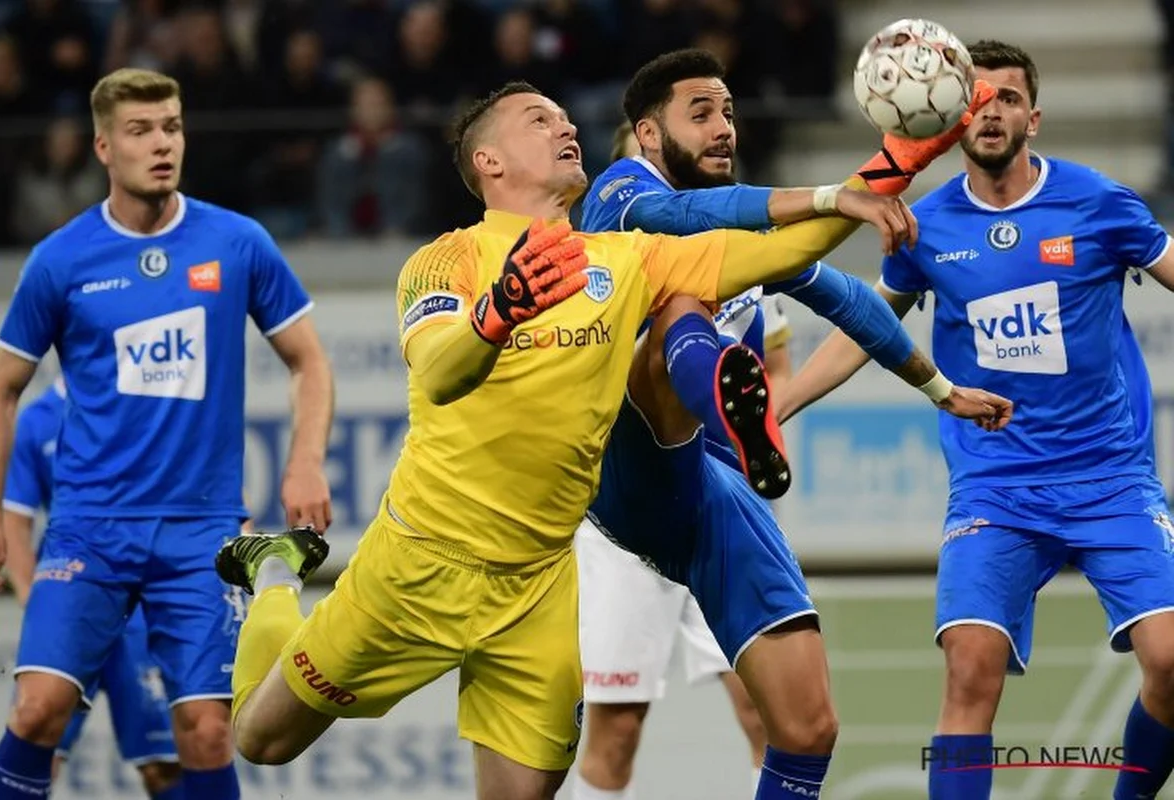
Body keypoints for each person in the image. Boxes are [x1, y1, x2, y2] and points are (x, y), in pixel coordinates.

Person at [211, 78, 990, 800]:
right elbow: (442, 370)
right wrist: (498, 313)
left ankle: (711, 407)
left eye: (564, 116)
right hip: (422, 564)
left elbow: (775, 247)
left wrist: (891, 167)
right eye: (538, 119)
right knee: (260, 737)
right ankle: (276, 571)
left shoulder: (623, 259)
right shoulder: (445, 259)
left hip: (539, 584)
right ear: (489, 162)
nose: (565, 126)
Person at [573, 49, 1013, 800]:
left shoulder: (743, 240)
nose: (724, 129)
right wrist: (835, 196)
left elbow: (845, 296)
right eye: (701, 113)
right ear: (648, 134)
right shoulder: (621, 194)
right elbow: (694, 215)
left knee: (804, 728)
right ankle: (730, 406)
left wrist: (939, 388)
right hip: (626, 486)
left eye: (730, 113)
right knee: (682, 300)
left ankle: (745, 425)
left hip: (717, 493)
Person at [776, 40, 1174, 800]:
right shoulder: (924, 227)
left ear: (1035, 116)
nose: (990, 113)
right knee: (969, 666)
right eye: (976, 101)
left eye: (1008, 100)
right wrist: (782, 405)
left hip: (1110, 478)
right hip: (996, 487)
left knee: (1172, 659)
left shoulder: (1099, 203)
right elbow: (869, 327)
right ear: (951, 118)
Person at [0, 68, 333, 800]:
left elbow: (309, 362)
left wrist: (305, 463)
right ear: (104, 146)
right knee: (39, 709)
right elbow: (0, 392)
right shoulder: (61, 260)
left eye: (171, 126)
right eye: (141, 131)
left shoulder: (237, 242)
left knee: (206, 731)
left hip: (200, 530)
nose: (161, 144)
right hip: (89, 527)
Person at [575, 124, 793, 800]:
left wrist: (759, 438)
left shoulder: (740, 256)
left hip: (722, 502)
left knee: (771, 713)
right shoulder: (604, 267)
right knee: (615, 727)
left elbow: (775, 363)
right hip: (629, 519)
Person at [2, 377, 183, 799]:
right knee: (34, 741)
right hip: (72, 604)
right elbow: (14, 521)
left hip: (139, 613)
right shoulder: (37, 420)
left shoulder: (146, 402)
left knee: (164, 765)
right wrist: (38, 608)